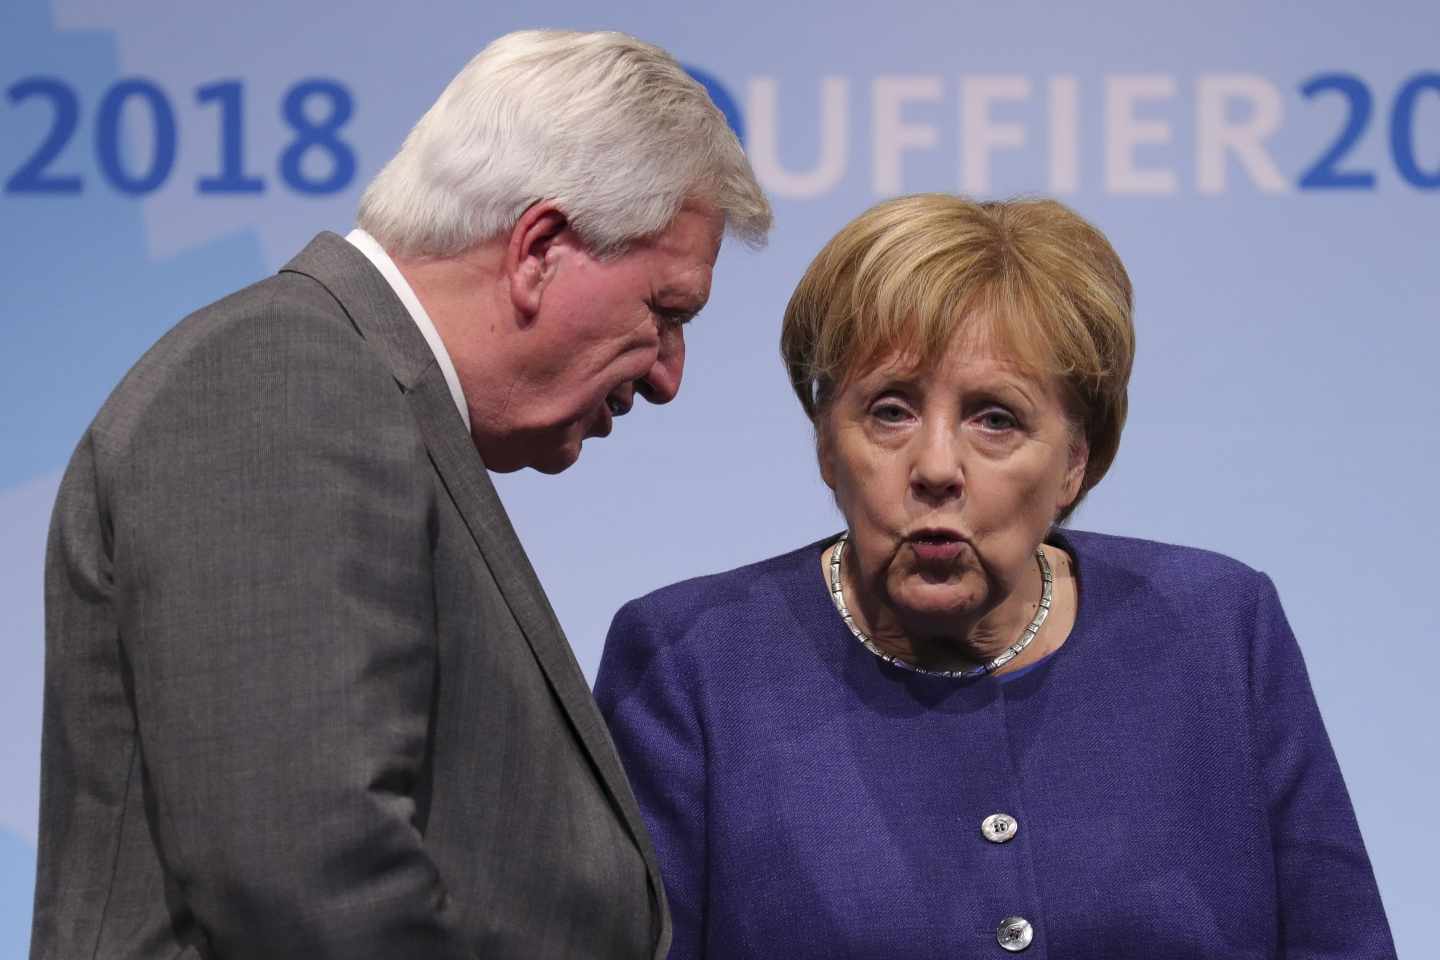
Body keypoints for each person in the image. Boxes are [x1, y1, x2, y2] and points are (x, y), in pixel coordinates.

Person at [31, 29, 770, 960]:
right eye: (665, 312)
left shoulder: (356, 394)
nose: (668, 375)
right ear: (539, 247)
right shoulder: (285, 378)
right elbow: (303, 876)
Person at [595, 194, 1395, 958]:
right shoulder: (691, 662)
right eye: (890, 410)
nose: (937, 466)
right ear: (827, 448)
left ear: (1075, 462)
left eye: (996, 419)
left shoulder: (1219, 628)